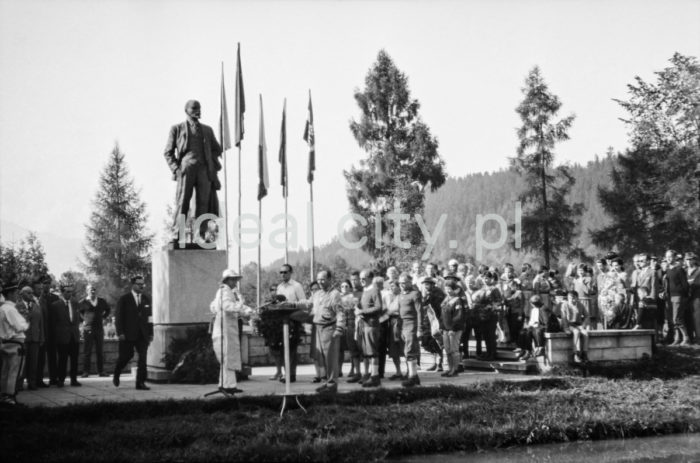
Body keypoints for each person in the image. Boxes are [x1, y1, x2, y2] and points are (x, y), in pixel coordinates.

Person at [164, 99, 223, 243]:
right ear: (187, 111)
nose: (198, 111)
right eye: (194, 108)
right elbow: (168, 152)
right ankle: (178, 234)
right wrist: (176, 169)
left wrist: (210, 158)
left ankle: (201, 235)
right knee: (182, 201)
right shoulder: (177, 129)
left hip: (204, 169)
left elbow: (217, 148)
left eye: (199, 108)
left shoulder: (207, 130)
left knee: (203, 203)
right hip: (186, 168)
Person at [288, 270, 345, 394]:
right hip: (318, 328)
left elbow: (340, 312)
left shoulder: (335, 294)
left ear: (330, 279)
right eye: (318, 279)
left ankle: (332, 384)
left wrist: (339, 328)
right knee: (322, 358)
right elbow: (307, 304)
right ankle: (327, 383)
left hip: (329, 329)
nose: (320, 282)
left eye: (323, 279)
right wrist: (290, 305)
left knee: (331, 358)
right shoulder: (317, 294)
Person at [210, 269, 250, 394]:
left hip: (228, 327)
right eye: (233, 279)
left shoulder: (227, 292)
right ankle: (228, 385)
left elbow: (214, 306)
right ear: (227, 280)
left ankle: (227, 384)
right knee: (227, 357)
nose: (235, 282)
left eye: (236, 279)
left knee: (229, 357)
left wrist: (244, 309)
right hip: (224, 329)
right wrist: (240, 307)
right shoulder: (224, 291)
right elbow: (226, 306)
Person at [113, 276, 152, 390]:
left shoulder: (146, 298)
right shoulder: (124, 299)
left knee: (143, 358)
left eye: (142, 284)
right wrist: (120, 332)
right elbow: (118, 317)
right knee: (126, 356)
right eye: (139, 284)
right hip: (127, 334)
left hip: (142, 334)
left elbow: (150, 317)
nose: (141, 286)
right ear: (133, 285)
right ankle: (117, 372)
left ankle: (140, 383)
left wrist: (151, 333)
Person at [275, 264, 305, 383]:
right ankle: (285, 373)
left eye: (285, 272)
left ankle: (291, 375)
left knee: (292, 348)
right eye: (281, 272)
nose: (283, 274)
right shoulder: (279, 287)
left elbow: (303, 301)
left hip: (294, 319)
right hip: (282, 320)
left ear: (291, 272)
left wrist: (291, 304)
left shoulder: (297, 286)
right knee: (283, 348)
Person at [0, 282, 29, 406]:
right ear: (10, 294)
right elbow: (20, 326)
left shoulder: (2, 308)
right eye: (16, 292)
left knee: (6, 370)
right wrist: (26, 320)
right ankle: (10, 396)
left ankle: (4, 394)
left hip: (5, 342)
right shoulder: (10, 309)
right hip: (15, 342)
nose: (17, 295)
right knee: (14, 371)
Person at [355, 270, 383, 387]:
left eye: (364, 277)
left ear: (371, 278)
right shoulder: (365, 291)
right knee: (366, 352)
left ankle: (375, 377)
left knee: (372, 352)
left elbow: (379, 307)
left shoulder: (375, 290)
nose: (361, 280)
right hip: (364, 325)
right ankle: (368, 375)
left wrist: (362, 311)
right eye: (360, 278)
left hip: (372, 325)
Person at [50, 283, 81, 387]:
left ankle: (74, 380)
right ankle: (61, 380)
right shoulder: (55, 305)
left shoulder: (75, 303)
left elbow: (77, 319)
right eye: (67, 291)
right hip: (62, 337)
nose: (70, 293)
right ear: (62, 292)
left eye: (71, 291)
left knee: (74, 359)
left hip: (74, 336)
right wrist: (56, 337)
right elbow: (53, 324)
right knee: (62, 359)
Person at [79, 284, 111, 377]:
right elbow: (79, 313)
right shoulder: (83, 302)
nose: (93, 291)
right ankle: (86, 372)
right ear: (87, 291)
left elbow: (108, 310)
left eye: (94, 290)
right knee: (87, 351)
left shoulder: (101, 301)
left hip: (99, 329)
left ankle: (101, 371)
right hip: (88, 329)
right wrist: (84, 320)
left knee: (100, 351)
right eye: (90, 290)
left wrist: (103, 317)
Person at [397, 273, 422, 387]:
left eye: (404, 283)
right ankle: (413, 375)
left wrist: (419, 329)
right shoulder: (401, 295)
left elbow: (419, 312)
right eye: (400, 283)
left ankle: (413, 377)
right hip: (402, 325)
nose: (401, 285)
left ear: (410, 282)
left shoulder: (415, 294)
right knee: (406, 351)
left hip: (411, 325)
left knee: (410, 350)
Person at [16, 286, 42, 390]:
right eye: (28, 293)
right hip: (23, 338)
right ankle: (19, 384)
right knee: (22, 362)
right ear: (22, 294)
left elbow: (41, 323)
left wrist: (41, 337)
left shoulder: (36, 306)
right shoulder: (17, 306)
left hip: (35, 338)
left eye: (32, 293)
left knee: (33, 362)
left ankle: (32, 383)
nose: (31, 295)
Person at [35, 275, 59, 386]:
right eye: (44, 283)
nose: (47, 285)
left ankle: (53, 378)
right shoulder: (38, 299)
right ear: (41, 285)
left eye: (48, 283)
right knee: (40, 357)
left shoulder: (55, 298)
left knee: (53, 356)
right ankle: (39, 380)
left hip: (53, 332)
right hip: (42, 332)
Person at [440, 277, 466, 377]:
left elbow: (459, 316)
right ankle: (449, 368)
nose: (447, 291)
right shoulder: (446, 299)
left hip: (454, 329)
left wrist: (453, 329)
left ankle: (455, 370)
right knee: (447, 349)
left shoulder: (458, 300)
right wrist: (442, 327)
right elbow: (442, 315)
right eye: (446, 288)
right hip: (445, 329)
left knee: (454, 349)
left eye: (449, 288)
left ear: (454, 289)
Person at [663, 250, 689, 346]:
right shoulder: (668, 270)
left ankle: (686, 338)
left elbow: (685, 285)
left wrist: (684, 296)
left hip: (679, 296)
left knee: (677, 319)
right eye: (667, 257)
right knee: (671, 320)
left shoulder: (679, 269)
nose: (668, 259)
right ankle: (677, 339)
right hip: (670, 297)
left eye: (670, 256)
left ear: (674, 257)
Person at [420, 277, 446, 370]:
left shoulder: (438, 293)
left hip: (437, 321)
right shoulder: (426, 293)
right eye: (425, 284)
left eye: (428, 284)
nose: (426, 286)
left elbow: (438, 307)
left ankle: (440, 363)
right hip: (428, 320)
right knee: (429, 341)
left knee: (437, 341)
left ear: (432, 284)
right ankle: (434, 362)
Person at [339, 280, 362, 383]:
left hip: (351, 323)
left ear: (350, 288)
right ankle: (339, 369)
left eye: (346, 286)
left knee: (353, 348)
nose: (344, 287)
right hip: (341, 324)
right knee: (340, 348)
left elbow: (357, 311)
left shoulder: (354, 298)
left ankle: (356, 371)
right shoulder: (337, 298)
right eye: (342, 286)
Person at [382, 279, 404, 380]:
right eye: (390, 286)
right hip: (391, 323)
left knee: (403, 347)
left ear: (399, 287)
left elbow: (395, 310)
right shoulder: (388, 297)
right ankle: (398, 371)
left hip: (401, 323)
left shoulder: (402, 296)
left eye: (393, 286)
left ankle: (409, 371)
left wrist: (390, 311)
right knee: (393, 349)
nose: (391, 288)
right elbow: (386, 310)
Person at [560, 290, 590, 363]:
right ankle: (575, 353)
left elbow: (587, 316)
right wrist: (566, 328)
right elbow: (563, 318)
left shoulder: (580, 305)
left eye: (573, 298)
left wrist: (583, 325)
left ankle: (584, 353)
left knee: (585, 333)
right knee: (576, 332)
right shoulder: (564, 305)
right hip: (568, 324)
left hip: (578, 325)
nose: (571, 300)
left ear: (577, 298)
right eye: (569, 298)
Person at [517, 295, 548, 361]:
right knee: (522, 332)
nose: (532, 305)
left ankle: (530, 351)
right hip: (534, 326)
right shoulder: (533, 310)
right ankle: (524, 349)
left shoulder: (543, 308)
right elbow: (532, 321)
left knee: (529, 332)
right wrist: (529, 325)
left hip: (542, 326)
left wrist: (536, 324)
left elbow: (546, 321)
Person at [686, 252, 700, 344]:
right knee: (687, 317)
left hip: (697, 296)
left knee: (697, 317)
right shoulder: (684, 270)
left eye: (690, 259)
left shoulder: (699, 270)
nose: (688, 261)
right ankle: (690, 337)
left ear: (694, 260)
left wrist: (692, 284)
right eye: (687, 259)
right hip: (686, 297)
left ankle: (699, 338)